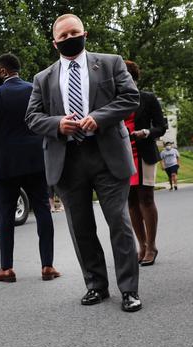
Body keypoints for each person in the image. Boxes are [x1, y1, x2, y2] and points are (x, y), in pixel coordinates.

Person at [26, 14, 142, 312]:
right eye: (62, 36)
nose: (69, 39)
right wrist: (57, 124)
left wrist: (99, 117)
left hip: (107, 156)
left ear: (84, 33)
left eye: (73, 33)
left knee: (119, 222)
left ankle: (129, 289)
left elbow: (130, 97)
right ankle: (96, 285)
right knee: (80, 228)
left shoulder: (111, 62)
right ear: (55, 43)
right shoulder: (43, 78)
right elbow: (32, 117)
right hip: (67, 160)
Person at [0, 53, 60, 283]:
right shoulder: (34, 90)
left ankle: (6, 269)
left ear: (3, 71)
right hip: (36, 161)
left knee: (5, 216)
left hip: (5, 166)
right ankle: (48, 266)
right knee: (43, 211)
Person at [123, 60, 167, 266]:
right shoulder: (116, 100)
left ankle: (152, 246)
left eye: (126, 76)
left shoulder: (147, 98)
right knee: (131, 201)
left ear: (133, 78)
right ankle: (141, 246)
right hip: (123, 155)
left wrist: (146, 132)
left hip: (144, 153)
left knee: (146, 198)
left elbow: (161, 126)